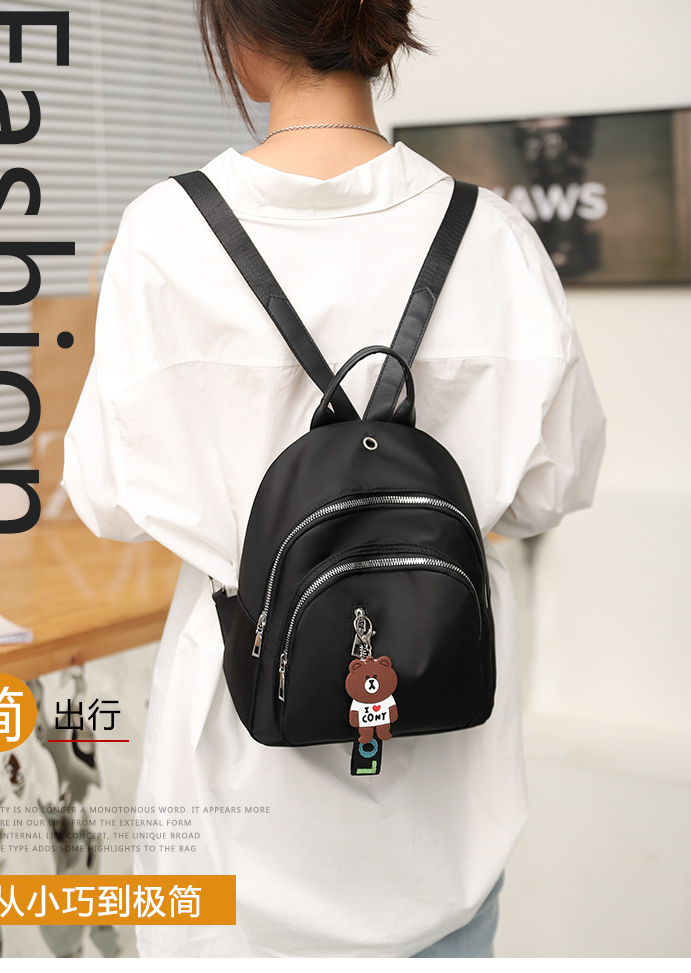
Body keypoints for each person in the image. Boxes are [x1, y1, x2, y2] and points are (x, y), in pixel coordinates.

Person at [62, 0, 605, 958]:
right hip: (443, 841)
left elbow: (107, 500)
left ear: (238, 35)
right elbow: (553, 488)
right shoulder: (494, 237)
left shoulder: (167, 235)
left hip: (233, 839)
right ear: (385, 28)